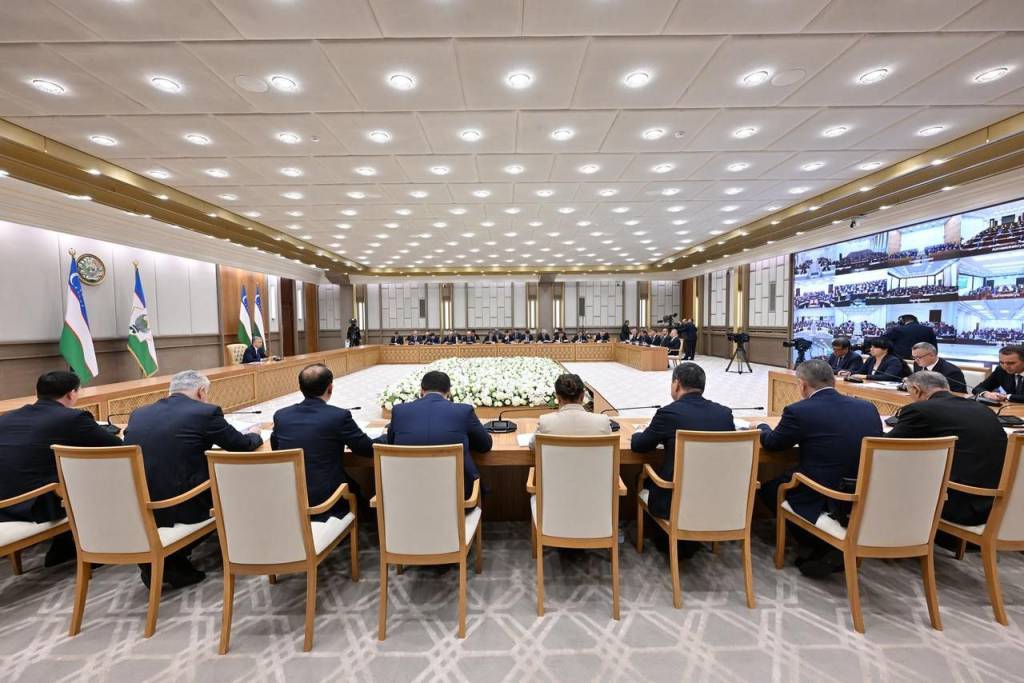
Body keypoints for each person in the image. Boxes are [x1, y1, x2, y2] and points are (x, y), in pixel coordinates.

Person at [124, 370, 262, 587]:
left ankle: (169, 561)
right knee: (239, 483)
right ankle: (178, 559)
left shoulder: (139, 413)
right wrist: (255, 433)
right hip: (181, 504)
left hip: (137, 503)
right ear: (201, 391)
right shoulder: (206, 413)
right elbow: (241, 446)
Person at [757, 359, 882, 578]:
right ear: (833, 381)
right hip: (863, 488)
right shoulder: (867, 407)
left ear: (802, 385)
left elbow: (773, 444)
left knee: (770, 490)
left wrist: (762, 427)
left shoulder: (798, 410)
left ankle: (818, 543)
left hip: (822, 489)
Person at [0, 371, 122, 567]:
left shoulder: (7, 418)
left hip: (5, 502)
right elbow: (116, 446)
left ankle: (64, 546)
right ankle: (95, 547)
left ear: (37, 392)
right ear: (71, 394)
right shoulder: (72, 418)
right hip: (38, 504)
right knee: (105, 477)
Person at [888, 371, 1006, 527]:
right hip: (999, 504)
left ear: (916, 389)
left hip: (961, 504)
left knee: (893, 476)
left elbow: (887, 448)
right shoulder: (983, 408)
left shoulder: (920, 409)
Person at [631, 363, 734, 531]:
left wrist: (638, 432)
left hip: (673, 502)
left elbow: (639, 446)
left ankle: (659, 536)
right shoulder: (725, 414)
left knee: (641, 477)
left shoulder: (668, 414)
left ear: (677, 384)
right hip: (715, 499)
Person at [271, 364, 376, 521]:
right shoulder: (338, 416)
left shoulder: (281, 416)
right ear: (330, 388)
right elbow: (366, 449)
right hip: (326, 500)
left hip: (291, 497)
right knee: (355, 489)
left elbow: (276, 448)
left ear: (300, 388)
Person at [385, 371, 492, 501]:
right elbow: (485, 445)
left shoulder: (399, 411)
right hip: (458, 500)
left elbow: (391, 445)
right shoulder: (463, 411)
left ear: (421, 390)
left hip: (405, 499)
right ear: (449, 391)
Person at [529, 374, 610, 450]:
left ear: (557, 398)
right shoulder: (602, 421)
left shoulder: (546, 422)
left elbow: (532, 446)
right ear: (582, 396)